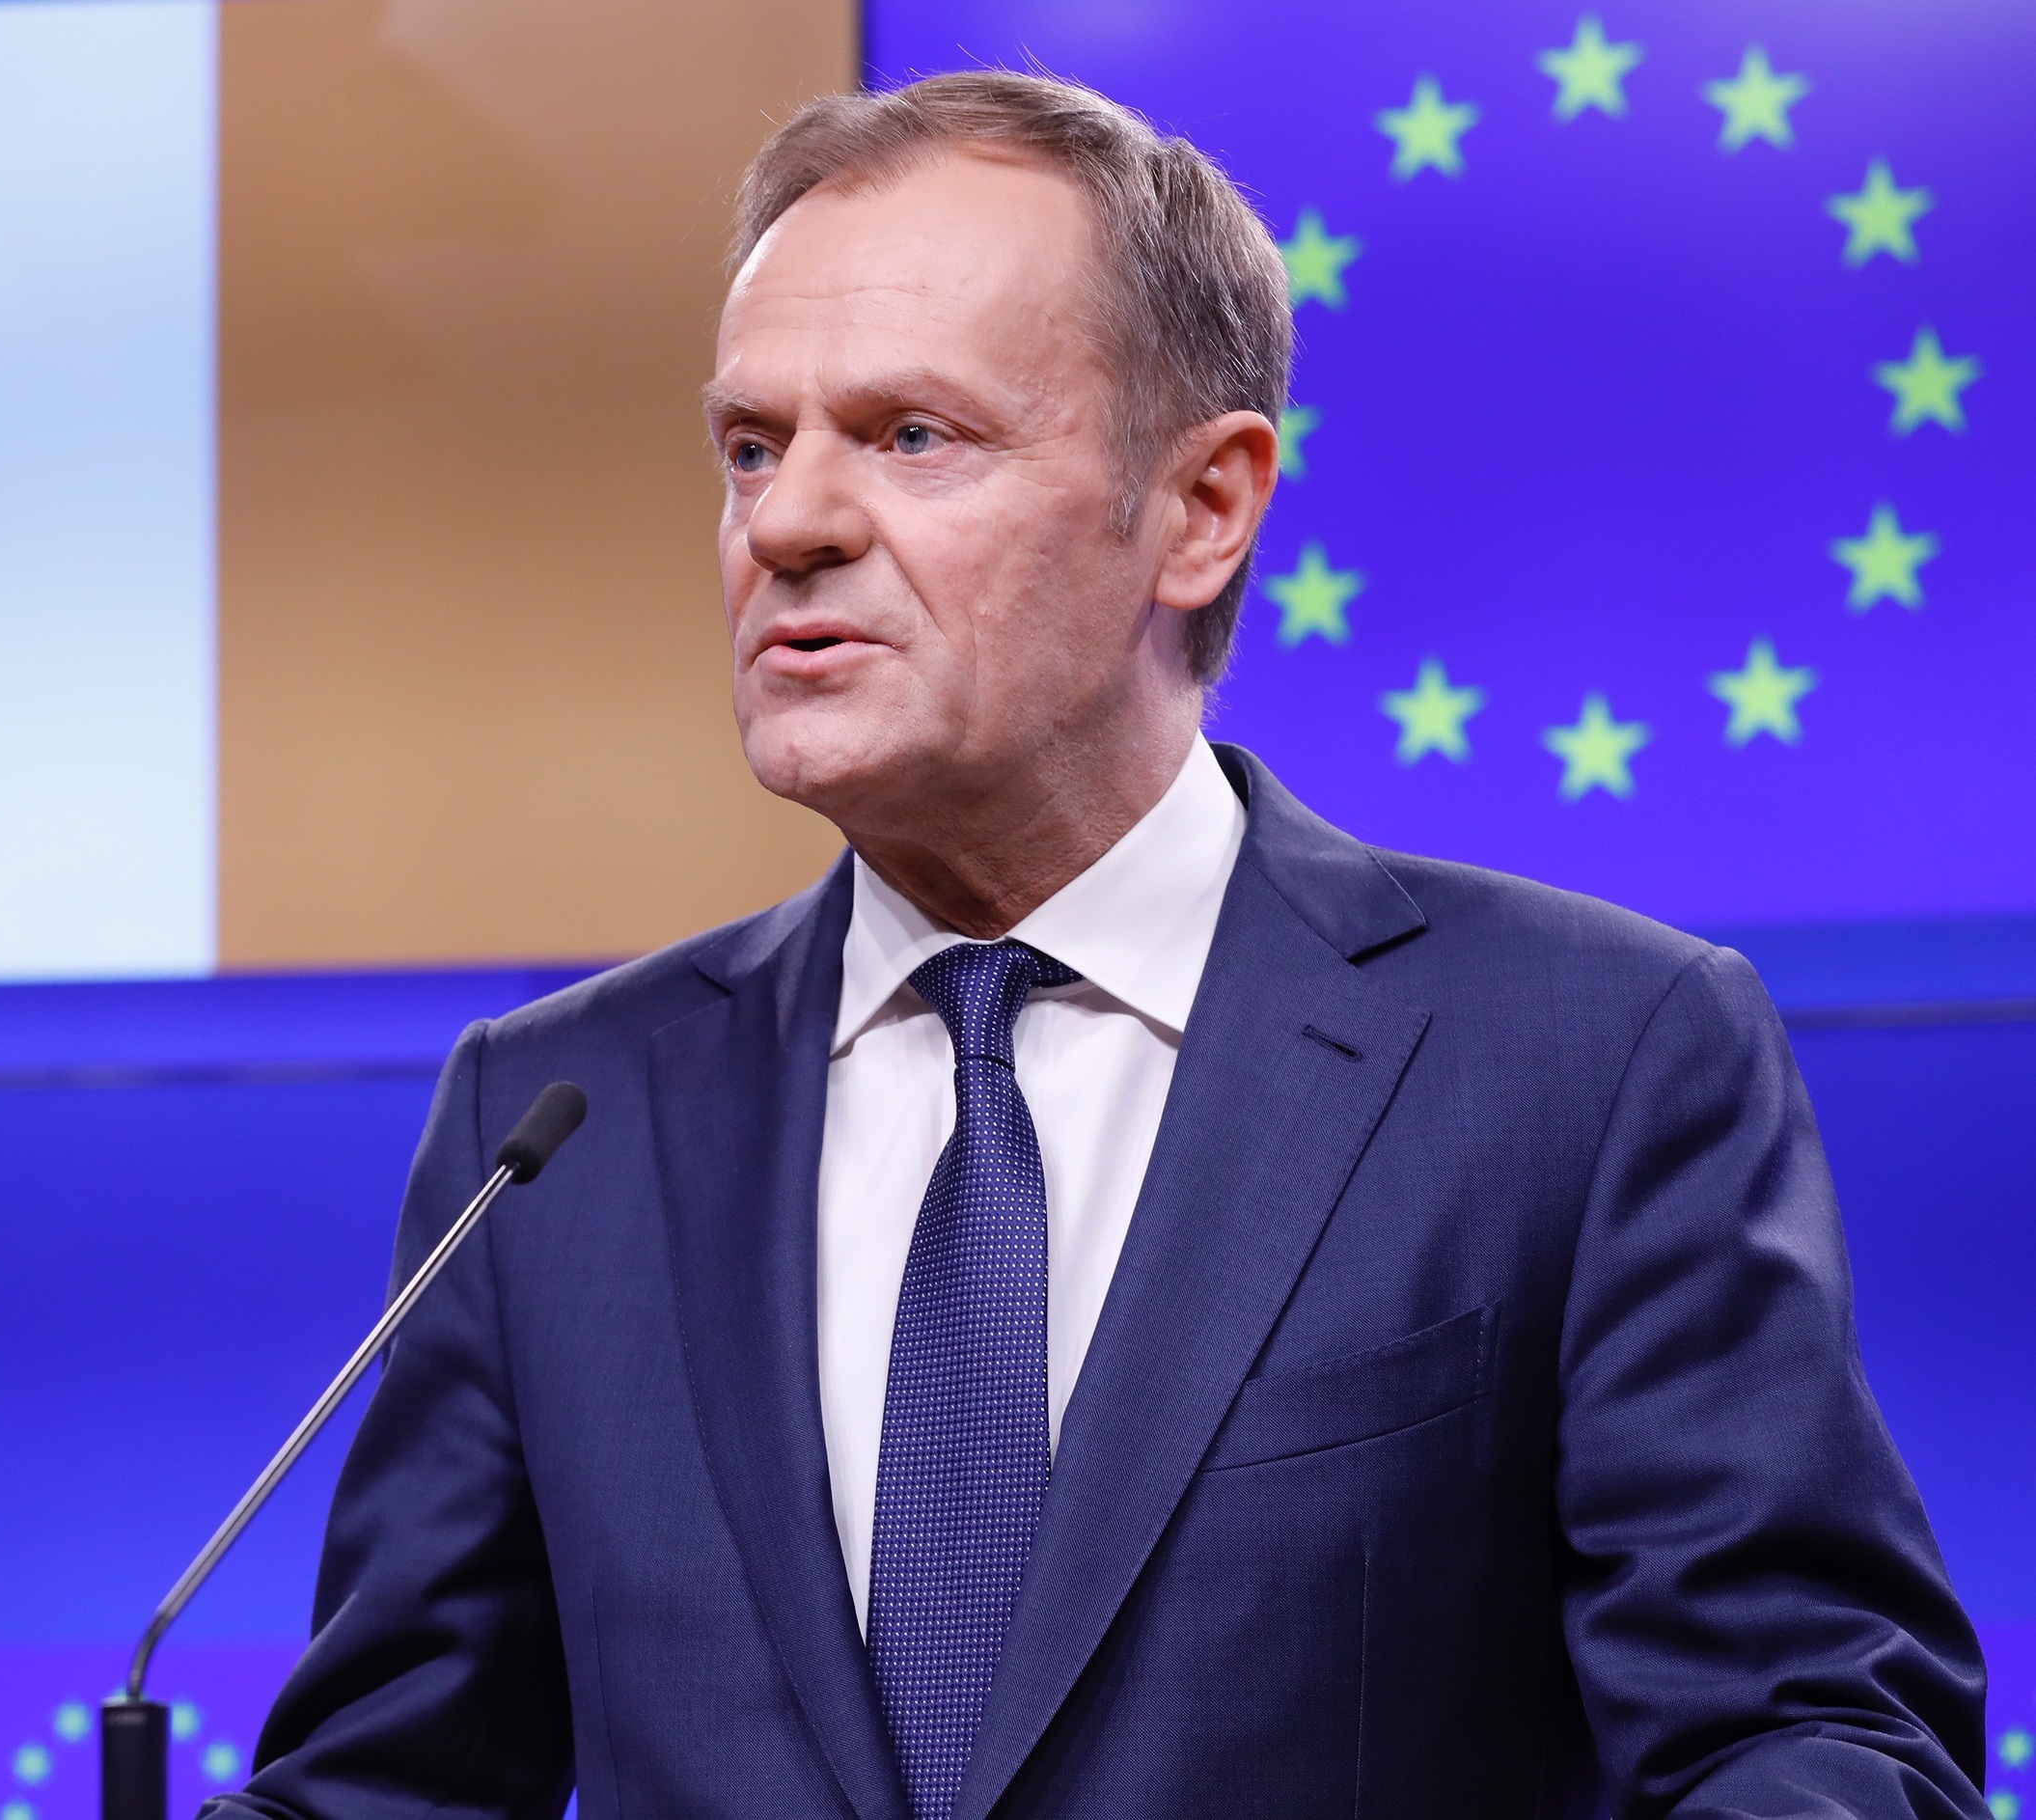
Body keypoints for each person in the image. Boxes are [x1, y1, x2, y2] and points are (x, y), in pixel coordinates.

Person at [210, 72, 1987, 1820]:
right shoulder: (559, 1120)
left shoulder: (1590, 1057)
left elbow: (1810, 1731)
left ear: (1201, 509)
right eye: (750, 445)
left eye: (912, 436)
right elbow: (399, 1782)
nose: (788, 522)